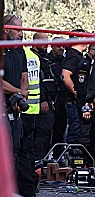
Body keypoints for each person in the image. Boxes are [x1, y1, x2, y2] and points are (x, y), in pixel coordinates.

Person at [2, 15, 28, 165]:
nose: (21, 34)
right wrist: (18, 92)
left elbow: (24, 77)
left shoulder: (20, 50)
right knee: (4, 150)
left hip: (15, 109)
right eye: (18, 30)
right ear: (6, 29)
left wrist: (21, 96)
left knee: (15, 151)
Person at [19, 39, 43, 197]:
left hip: (22, 108)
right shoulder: (33, 56)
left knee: (19, 150)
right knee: (27, 150)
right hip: (33, 108)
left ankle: (23, 189)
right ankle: (29, 188)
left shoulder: (18, 55)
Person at [32, 32, 59, 161]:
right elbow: (38, 81)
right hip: (40, 103)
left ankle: (40, 160)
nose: (46, 45)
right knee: (42, 133)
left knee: (46, 134)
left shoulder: (43, 59)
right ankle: (38, 161)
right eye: (43, 42)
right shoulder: (34, 58)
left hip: (48, 101)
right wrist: (43, 100)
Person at [59, 30, 87, 145]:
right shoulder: (73, 57)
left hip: (74, 101)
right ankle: (71, 151)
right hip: (73, 102)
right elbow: (65, 76)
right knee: (75, 130)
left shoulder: (76, 56)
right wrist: (76, 92)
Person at [48, 37, 67, 153]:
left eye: (63, 46)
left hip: (62, 99)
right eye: (59, 45)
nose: (61, 48)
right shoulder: (47, 60)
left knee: (60, 129)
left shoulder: (66, 61)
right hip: (49, 99)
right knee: (46, 130)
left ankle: (57, 154)